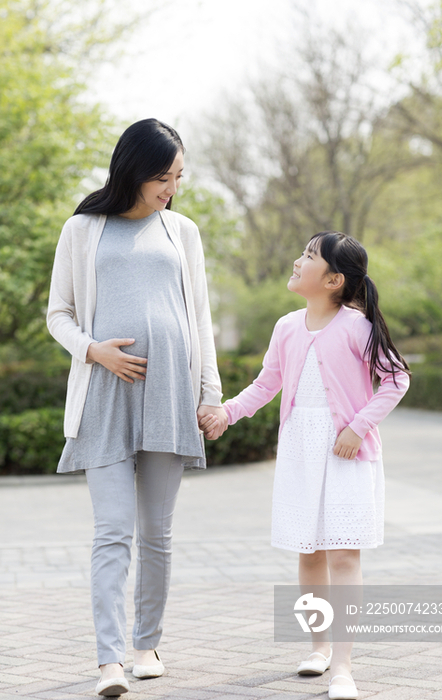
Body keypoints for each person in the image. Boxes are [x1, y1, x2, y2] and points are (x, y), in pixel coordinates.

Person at [47, 118, 228, 697]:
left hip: (170, 392)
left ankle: (146, 643)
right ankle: (109, 661)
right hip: (104, 394)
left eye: (177, 177)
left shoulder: (183, 231)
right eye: (161, 177)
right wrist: (93, 350)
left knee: (157, 533)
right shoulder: (83, 229)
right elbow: (59, 314)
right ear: (132, 171)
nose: (170, 188)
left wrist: (210, 393)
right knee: (112, 531)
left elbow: (199, 316)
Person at [200, 231, 410, 700]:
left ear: (334, 280)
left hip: (346, 452)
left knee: (342, 553)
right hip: (300, 449)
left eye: (309, 256)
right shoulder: (287, 326)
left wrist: (358, 427)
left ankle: (343, 665)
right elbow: (266, 383)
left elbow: (396, 379)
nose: (297, 261)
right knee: (309, 552)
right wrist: (226, 412)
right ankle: (318, 648)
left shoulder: (357, 326)